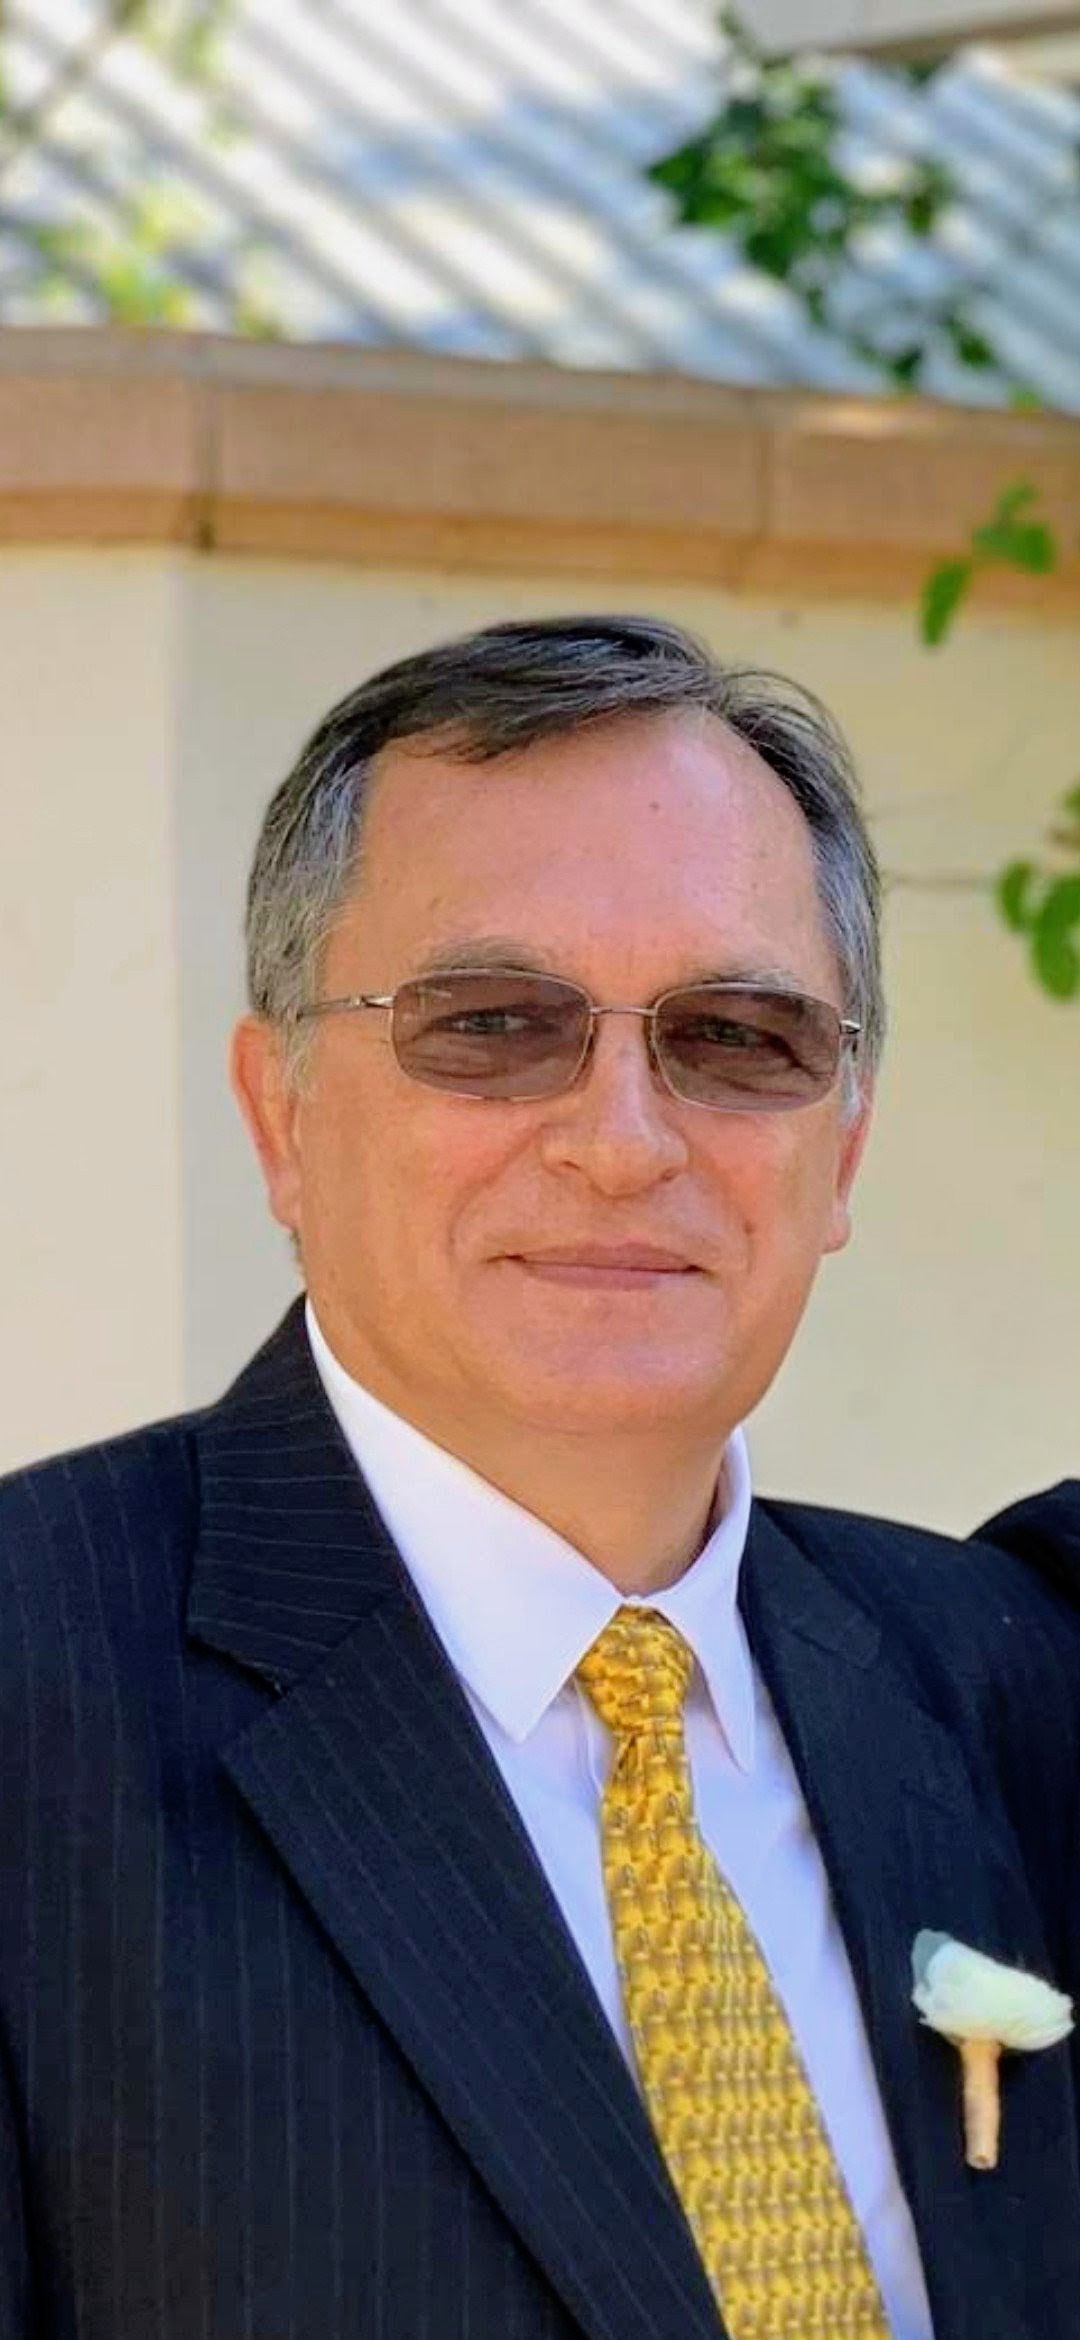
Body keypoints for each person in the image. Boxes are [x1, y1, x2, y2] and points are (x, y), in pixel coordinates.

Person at [0, 614, 1078, 2340]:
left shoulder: (1014, 1675)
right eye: (495, 1024)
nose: (624, 1141)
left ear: (846, 1143)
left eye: (738, 1036)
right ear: (281, 1116)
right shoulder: (30, 1696)